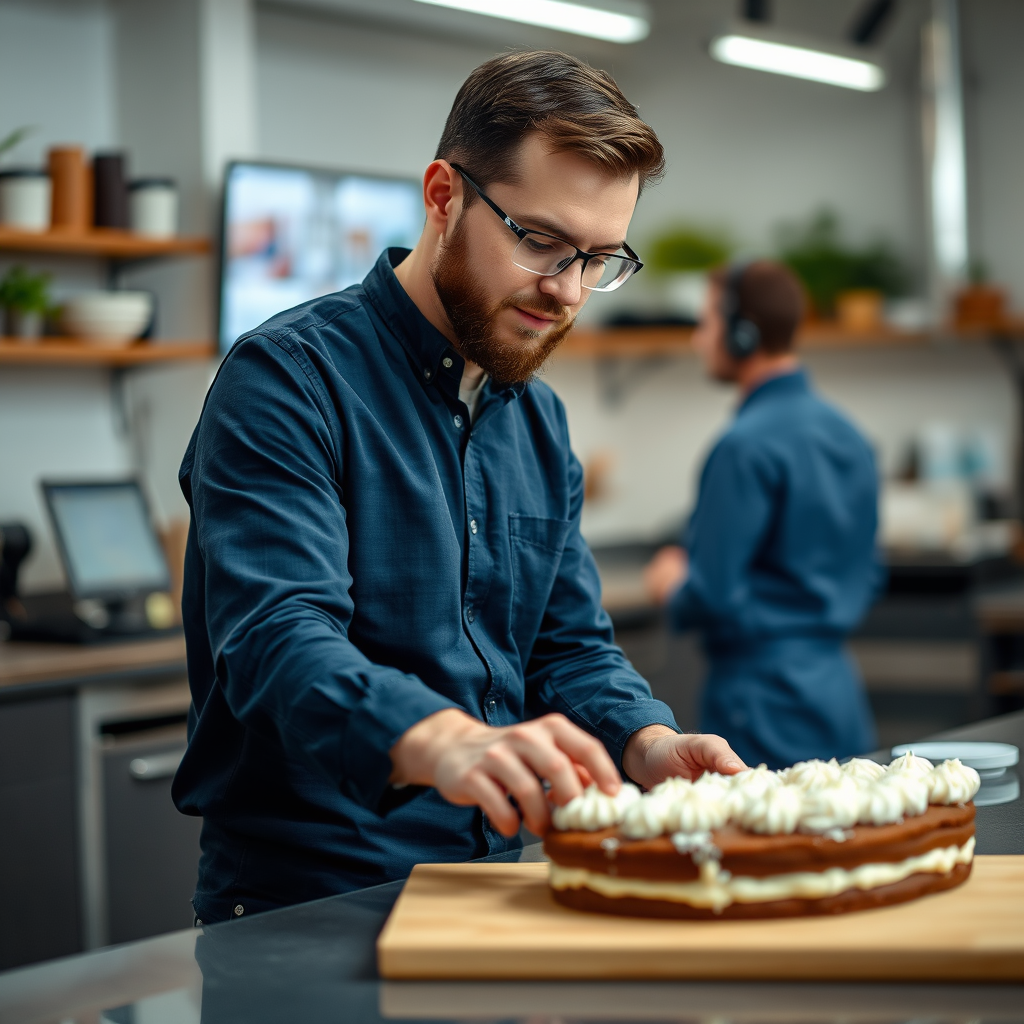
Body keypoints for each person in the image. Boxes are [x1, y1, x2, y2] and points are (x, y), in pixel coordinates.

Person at [173, 50, 746, 925]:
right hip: (311, 905)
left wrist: (648, 740)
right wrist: (444, 740)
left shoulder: (536, 420)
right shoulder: (288, 381)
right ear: (444, 196)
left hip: (491, 894)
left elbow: (566, 647)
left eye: (598, 259)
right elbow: (276, 641)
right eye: (540, 242)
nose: (565, 290)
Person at [644, 260, 881, 770]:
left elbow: (711, 597)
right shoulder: (849, 435)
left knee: (764, 847)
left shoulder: (742, 447)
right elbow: (866, 569)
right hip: (838, 695)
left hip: (762, 704)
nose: (696, 340)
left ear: (743, 333)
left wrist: (670, 584)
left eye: (705, 322)